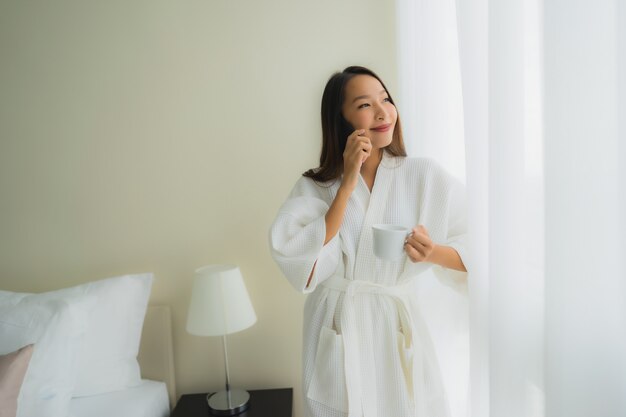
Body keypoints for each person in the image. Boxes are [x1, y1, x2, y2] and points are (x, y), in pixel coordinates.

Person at [269, 66, 469, 417]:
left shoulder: (423, 175)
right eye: (364, 104)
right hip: (337, 323)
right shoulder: (315, 186)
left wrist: (433, 252)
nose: (382, 112)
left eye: (386, 99)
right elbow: (302, 261)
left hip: (394, 324)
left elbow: (481, 248)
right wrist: (346, 184)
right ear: (340, 118)